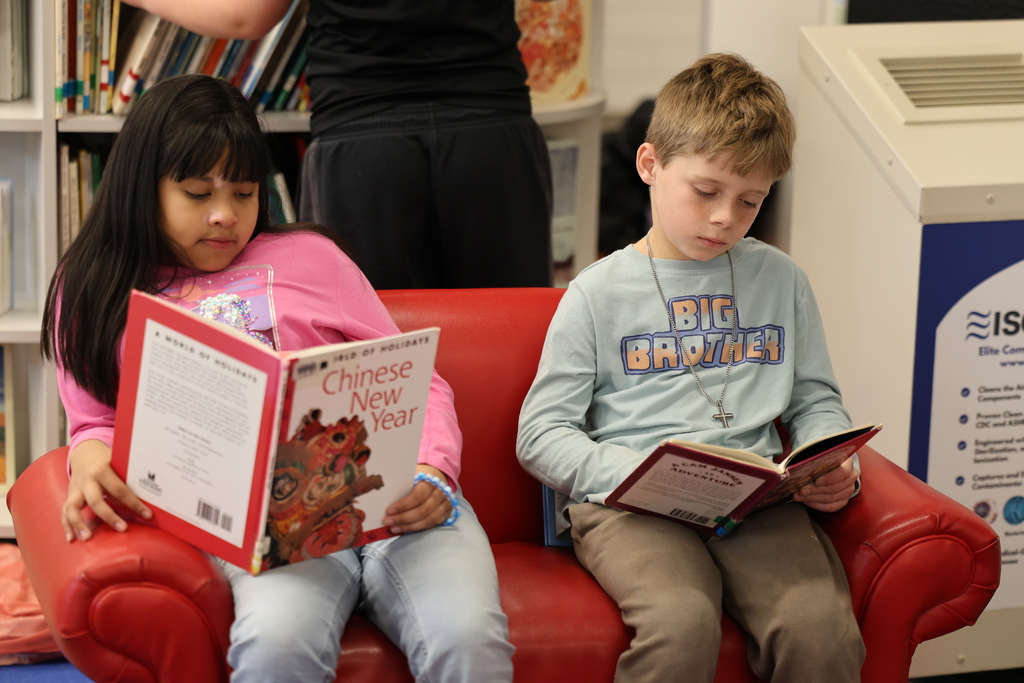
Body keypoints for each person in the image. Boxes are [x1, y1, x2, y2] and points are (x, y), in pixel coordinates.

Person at [41, 74, 514, 683]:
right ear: (141, 187)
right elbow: (95, 422)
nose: (224, 216)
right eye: (196, 193)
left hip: (396, 499)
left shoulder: (313, 258)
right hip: (269, 528)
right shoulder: (94, 289)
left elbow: (416, 379)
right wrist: (89, 456)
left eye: (244, 193)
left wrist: (433, 469)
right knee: (275, 644)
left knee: (469, 637)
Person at [516, 53, 865, 683]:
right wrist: (631, 474)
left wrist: (831, 462)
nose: (725, 217)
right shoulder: (597, 292)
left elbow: (814, 400)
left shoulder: (781, 279)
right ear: (650, 165)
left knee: (819, 628)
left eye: (750, 201)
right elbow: (541, 434)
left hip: (756, 500)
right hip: (632, 506)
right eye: (706, 192)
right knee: (681, 623)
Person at [127, 0, 554, 289]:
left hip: (362, 128)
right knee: (515, 336)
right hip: (491, 124)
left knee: (370, 352)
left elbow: (245, 14)